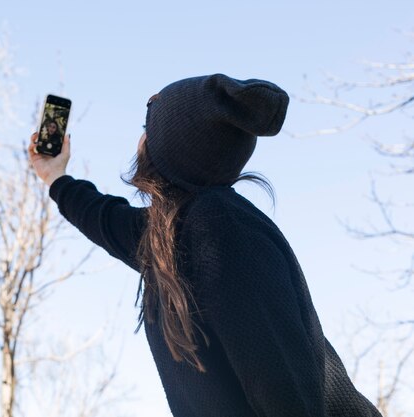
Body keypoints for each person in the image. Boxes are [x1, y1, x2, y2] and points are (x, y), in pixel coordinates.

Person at [27, 73, 382, 417]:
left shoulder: (223, 230)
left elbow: (283, 386)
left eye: (146, 130)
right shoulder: (171, 235)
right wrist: (55, 176)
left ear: (171, 152)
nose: (140, 141)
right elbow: (103, 218)